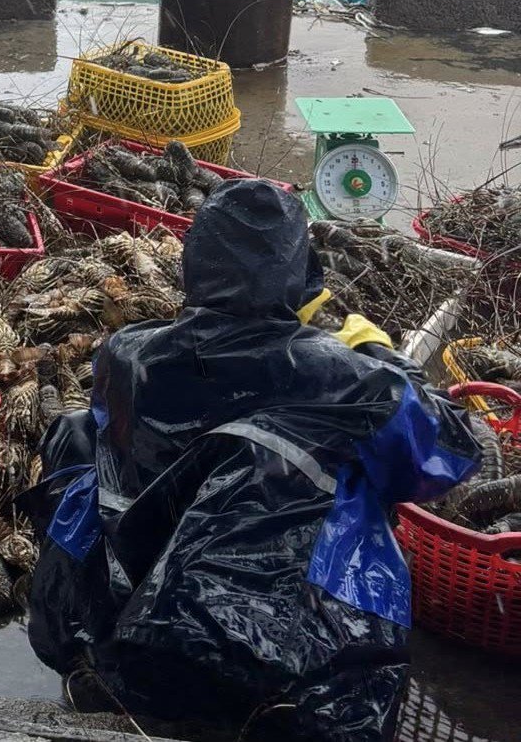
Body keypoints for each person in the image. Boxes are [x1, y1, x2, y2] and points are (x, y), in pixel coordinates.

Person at [25, 180, 480, 742]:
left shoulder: (127, 352)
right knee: (351, 474)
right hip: (280, 652)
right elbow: (444, 457)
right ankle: (294, 691)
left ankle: (97, 658)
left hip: (128, 621)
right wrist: (381, 355)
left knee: (76, 434)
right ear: (300, 274)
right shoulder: (341, 374)